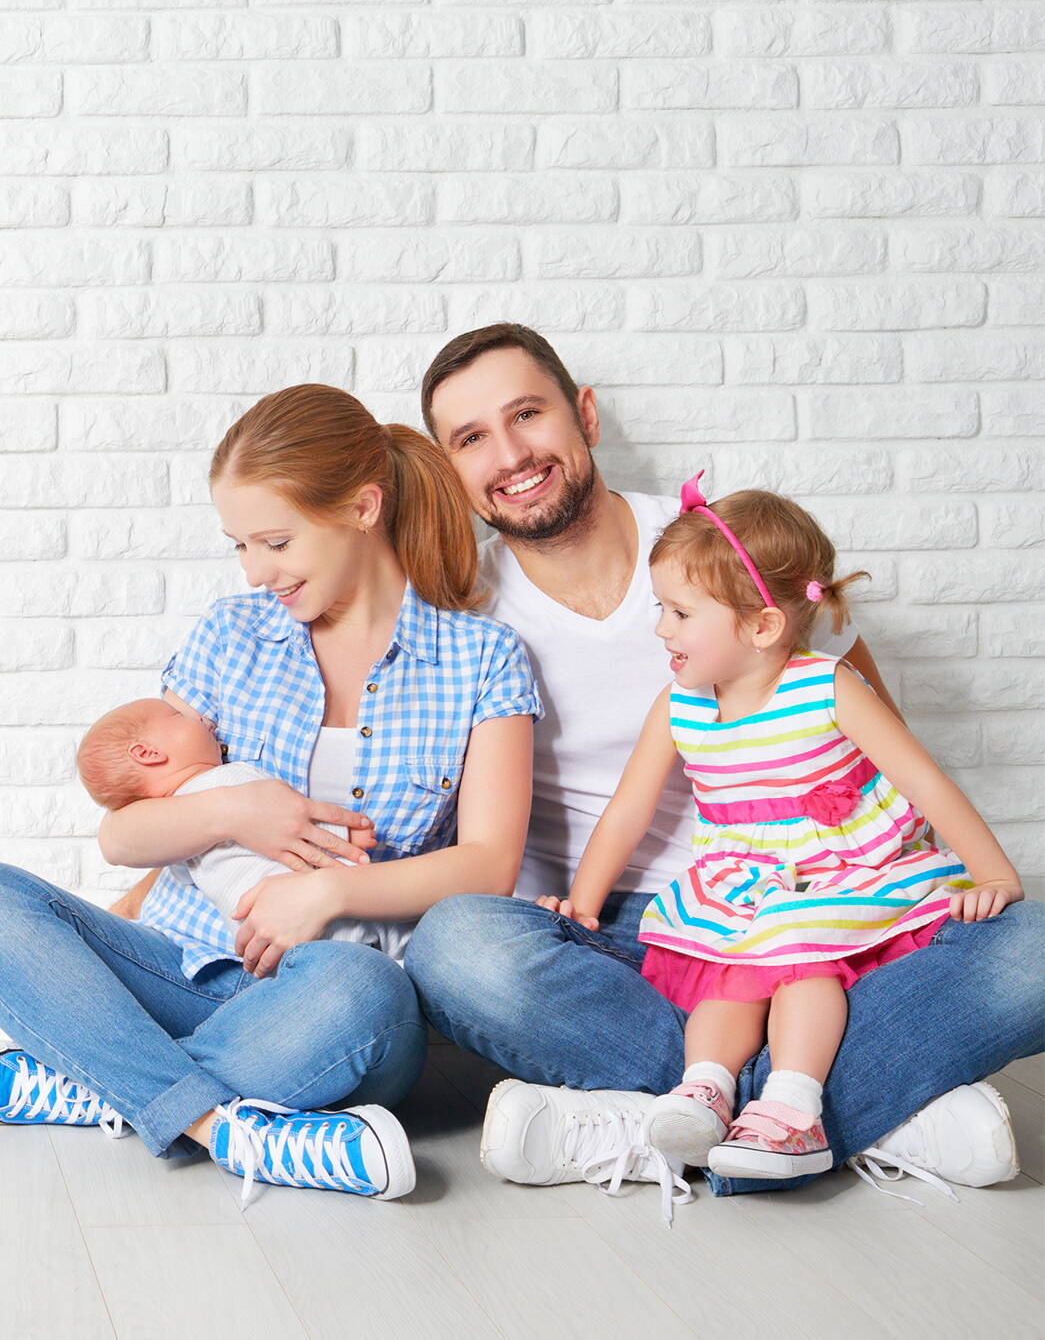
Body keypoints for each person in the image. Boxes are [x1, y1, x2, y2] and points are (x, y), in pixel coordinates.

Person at [403, 322, 1042, 1202]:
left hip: (819, 905)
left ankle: (664, 1122)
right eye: (471, 437)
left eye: (527, 413)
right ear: (449, 468)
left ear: (582, 413)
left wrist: (856, 904)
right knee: (453, 946)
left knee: (1033, 947)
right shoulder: (460, 608)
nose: (510, 453)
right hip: (630, 941)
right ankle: (830, 1111)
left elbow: (884, 754)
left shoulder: (716, 546)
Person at [0, 384, 539, 1206]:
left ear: (362, 508)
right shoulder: (231, 633)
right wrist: (229, 811)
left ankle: (97, 1079)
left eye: (275, 541)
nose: (256, 571)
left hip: (328, 999)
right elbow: (123, 837)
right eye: (240, 546)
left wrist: (326, 892)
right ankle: (221, 1124)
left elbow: (490, 863)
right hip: (183, 967)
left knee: (364, 993)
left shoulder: (484, 659)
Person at [554, 476, 1022, 1185]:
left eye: (679, 613)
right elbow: (628, 809)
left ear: (762, 627)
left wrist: (993, 873)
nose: (661, 630)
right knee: (727, 980)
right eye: (661, 609)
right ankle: (704, 1090)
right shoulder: (678, 707)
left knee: (802, 963)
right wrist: (584, 903)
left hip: (841, 876)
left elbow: (924, 781)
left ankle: (794, 1105)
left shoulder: (826, 687)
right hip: (744, 883)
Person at [75, 697, 405, 953]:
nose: (205, 719)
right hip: (313, 917)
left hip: (259, 939)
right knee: (395, 930)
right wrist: (348, 833)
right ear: (147, 752)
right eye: (180, 716)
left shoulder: (176, 837)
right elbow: (303, 825)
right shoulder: (233, 779)